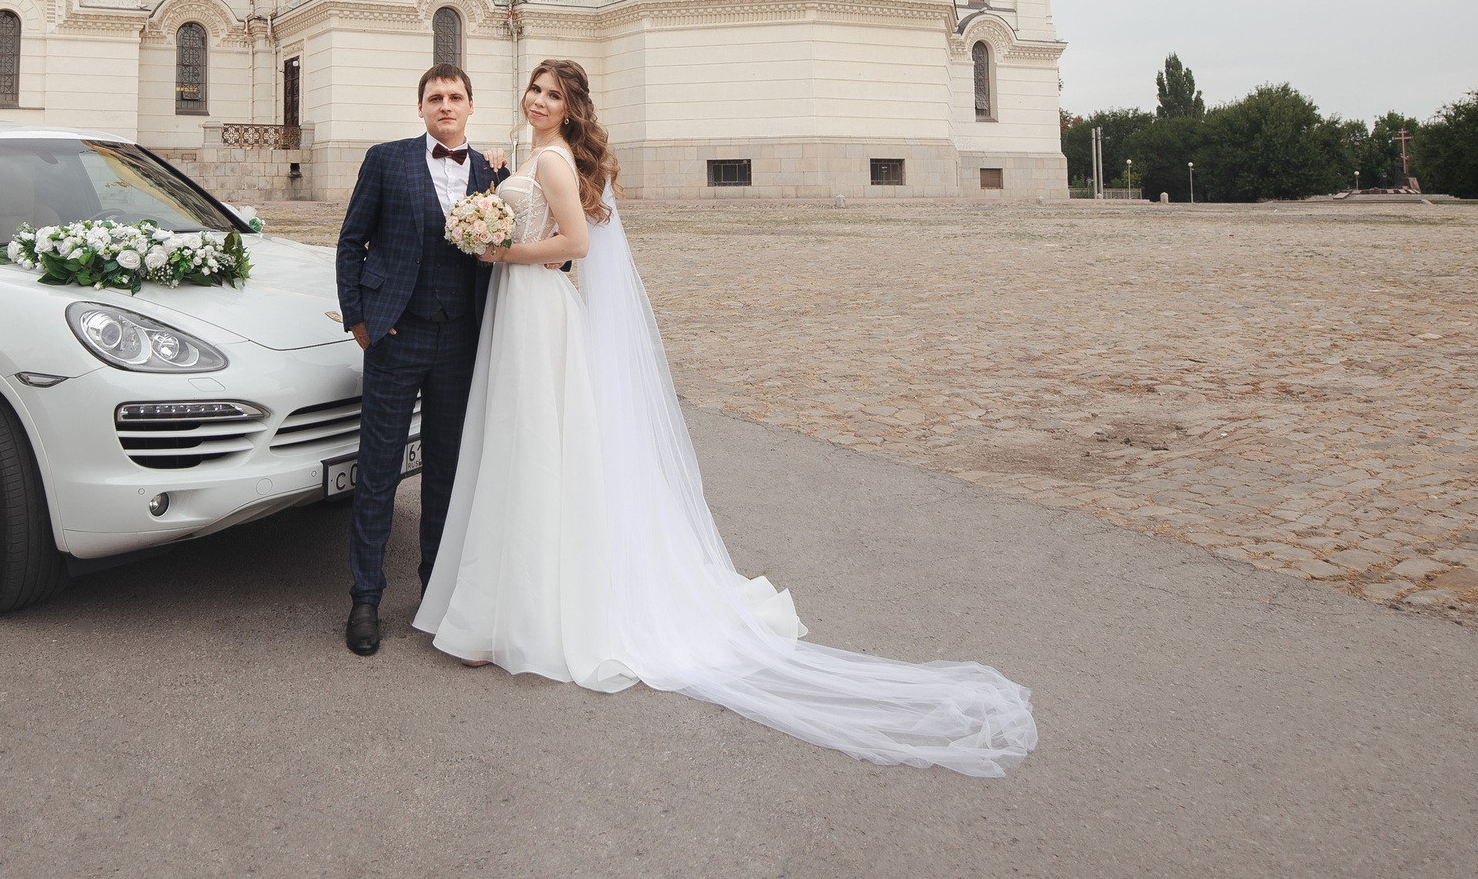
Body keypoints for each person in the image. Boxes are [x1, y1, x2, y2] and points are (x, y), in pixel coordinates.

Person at [417, 58, 1039, 775]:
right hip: (525, 308)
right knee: (523, 448)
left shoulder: (554, 162)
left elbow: (575, 245)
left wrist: (504, 251)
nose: (538, 99)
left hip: (536, 302)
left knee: (534, 448)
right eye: (534, 88)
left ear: (571, 107)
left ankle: (519, 616)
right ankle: (504, 609)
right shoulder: (531, 153)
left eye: (553, 94)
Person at [332, 64, 499, 657]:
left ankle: (435, 588)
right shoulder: (387, 159)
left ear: (471, 106)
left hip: (459, 341)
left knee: (446, 473)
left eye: (455, 97)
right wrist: (359, 319)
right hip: (396, 337)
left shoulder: (491, 172)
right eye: (435, 98)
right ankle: (366, 597)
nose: (445, 106)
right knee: (377, 469)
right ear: (421, 107)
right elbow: (352, 240)